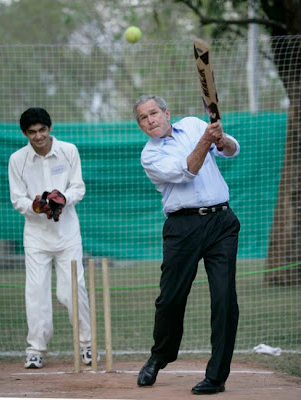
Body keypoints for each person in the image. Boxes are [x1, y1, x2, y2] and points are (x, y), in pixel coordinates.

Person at [133, 95, 240, 395]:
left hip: (222, 222)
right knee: (171, 298)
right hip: (182, 228)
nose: (150, 120)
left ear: (167, 113)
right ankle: (159, 356)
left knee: (224, 299)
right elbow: (187, 169)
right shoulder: (150, 156)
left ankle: (216, 377)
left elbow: (232, 150)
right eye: (143, 118)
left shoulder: (194, 124)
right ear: (140, 126)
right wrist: (208, 140)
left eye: (154, 113)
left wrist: (221, 141)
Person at [8, 107, 97, 369]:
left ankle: (87, 344)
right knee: (36, 293)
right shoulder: (17, 159)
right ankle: (36, 349)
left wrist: (63, 199)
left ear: (50, 128)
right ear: (26, 133)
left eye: (42, 130)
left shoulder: (68, 151)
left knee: (71, 290)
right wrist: (36, 206)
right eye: (32, 132)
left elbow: (78, 187)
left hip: (67, 234)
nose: (38, 136)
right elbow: (17, 199)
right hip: (36, 237)